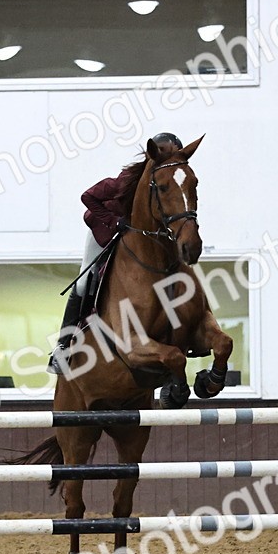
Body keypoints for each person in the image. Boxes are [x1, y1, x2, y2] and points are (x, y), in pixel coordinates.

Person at [48, 132, 185, 374]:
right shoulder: (126, 181)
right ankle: (62, 346)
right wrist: (114, 221)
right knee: (85, 281)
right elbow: (87, 196)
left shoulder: (166, 182)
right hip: (105, 231)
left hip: (135, 239)